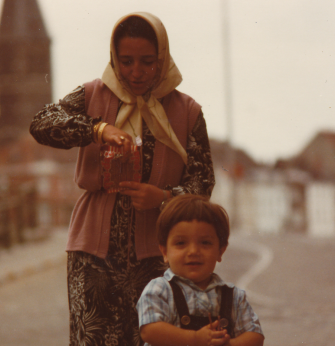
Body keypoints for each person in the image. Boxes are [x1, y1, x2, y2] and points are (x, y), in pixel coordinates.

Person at [30, 12, 215, 345]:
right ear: (114, 58)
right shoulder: (92, 96)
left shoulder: (187, 111)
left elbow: (203, 183)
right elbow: (42, 123)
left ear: (163, 58)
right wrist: (96, 129)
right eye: (126, 61)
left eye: (147, 62)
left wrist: (164, 198)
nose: (136, 72)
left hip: (159, 256)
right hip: (92, 253)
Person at [137, 194, 264, 346]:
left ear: (220, 251)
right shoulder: (159, 289)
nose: (193, 251)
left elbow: (255, 336)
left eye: (205, 243)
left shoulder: (234, 296)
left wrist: (229, 344)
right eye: (181, 243)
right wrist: (195, 339)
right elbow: (149, 330)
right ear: (165, 252)